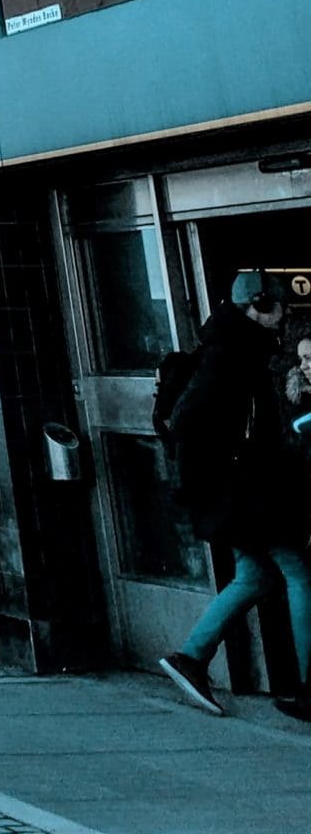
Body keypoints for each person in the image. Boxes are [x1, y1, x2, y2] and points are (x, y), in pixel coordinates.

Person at [158, 270, 311, 720]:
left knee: (255, 577)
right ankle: (309, 687)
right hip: (248, 496)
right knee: (300, 575)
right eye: (280, 306)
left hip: (239, 495)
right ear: (259, 306)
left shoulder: (233, 347)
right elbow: (187, 420)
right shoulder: (232, 355)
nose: (285, 316)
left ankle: (191, 656)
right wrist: (238, 463)